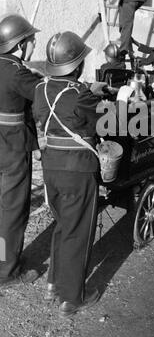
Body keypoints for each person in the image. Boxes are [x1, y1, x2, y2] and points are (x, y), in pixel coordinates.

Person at [33, 31, 102, 317]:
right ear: (76, 65)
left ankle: (53, 284)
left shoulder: (40, 89)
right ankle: (72, 297)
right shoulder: (80, 95)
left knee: (62, 225)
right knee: (78, 231)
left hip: (51, 168)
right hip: (78, 170)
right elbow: (102, 123)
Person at [0, 13, 42, 287]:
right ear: (18, 44)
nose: (33, 43)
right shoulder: (18, 73)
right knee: (13, 209)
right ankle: (6, 270)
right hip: (12, 144)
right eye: (31, 39)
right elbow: (46, 97)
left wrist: (36, 145)